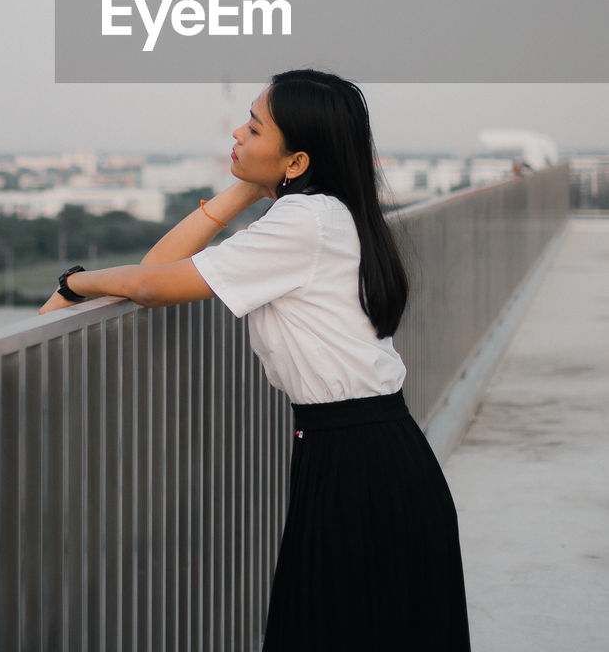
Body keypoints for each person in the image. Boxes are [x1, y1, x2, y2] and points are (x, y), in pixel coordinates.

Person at [39, 68, 471, 650]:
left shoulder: (304, 221)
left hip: (358, 469)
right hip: (366, 456)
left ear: (296, 162)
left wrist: (75, 283)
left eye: (254, 127)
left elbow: (149, 283)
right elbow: (156, 267)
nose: (238, 136)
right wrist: (244, 187)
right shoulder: (332, 213)